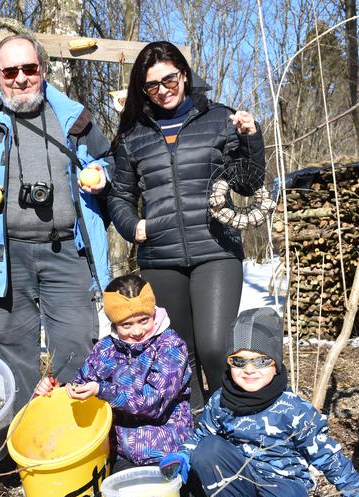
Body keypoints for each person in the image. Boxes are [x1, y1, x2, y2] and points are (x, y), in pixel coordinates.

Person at [0, 34, 112, 412]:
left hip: (67, 251)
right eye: (10, 70)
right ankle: (23, 442)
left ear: (42, 70)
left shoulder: (74, 118)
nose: (20, 78)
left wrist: (100, 173)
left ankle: (75, 437)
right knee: (11, 354)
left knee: (78, 346)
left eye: (29, 69)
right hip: (4, 258)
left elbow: (111, 162)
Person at [107, 41, 266, 408]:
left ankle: (232, 418)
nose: (164, 90)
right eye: (152, 85)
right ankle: (193, 429)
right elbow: (119, 196)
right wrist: (134, 228)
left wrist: (251, 139)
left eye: (170, 78)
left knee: (214, 346)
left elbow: (248, 181)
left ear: (184, 74)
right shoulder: (134, 136)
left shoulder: (218, 119)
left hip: (216, 248)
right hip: (160, 257)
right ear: (141, 90)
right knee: (180, 353)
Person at [159, 308, 359, 497]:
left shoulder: (293, 409)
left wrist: (356, 493)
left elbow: (326, 454)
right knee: (208, 448)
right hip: (239, 479)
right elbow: (201, 437)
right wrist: (182, 454)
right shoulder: (221, 400)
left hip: (283, 482)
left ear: (275, 363)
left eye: (260, 361)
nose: (249, 369)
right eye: (239, 360)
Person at [34, 274, 192, 473]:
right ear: (114, 323)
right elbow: (83, 384)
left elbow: (153, 403)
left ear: (154, 313)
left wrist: (102, 390)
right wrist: (60, 390)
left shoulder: (170, 347)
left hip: (164, 448)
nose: (137, 331)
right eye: (126, 324)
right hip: (115, 449)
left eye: (144, 320)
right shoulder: (106, 348)